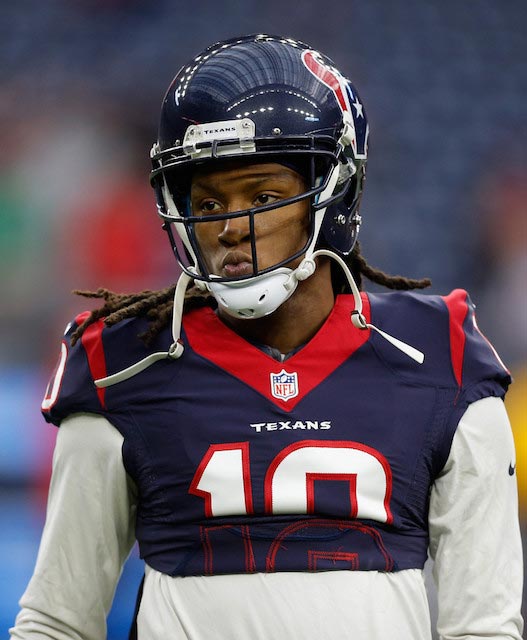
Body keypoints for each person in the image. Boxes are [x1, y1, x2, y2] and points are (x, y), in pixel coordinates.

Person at [10, 34, 524, 640]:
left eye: (262, 195)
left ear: (333, 194)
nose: (229, 227)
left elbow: (484, 625)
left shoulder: (439, 356)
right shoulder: (124, 365)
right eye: (206, 201)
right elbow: (58, 621)